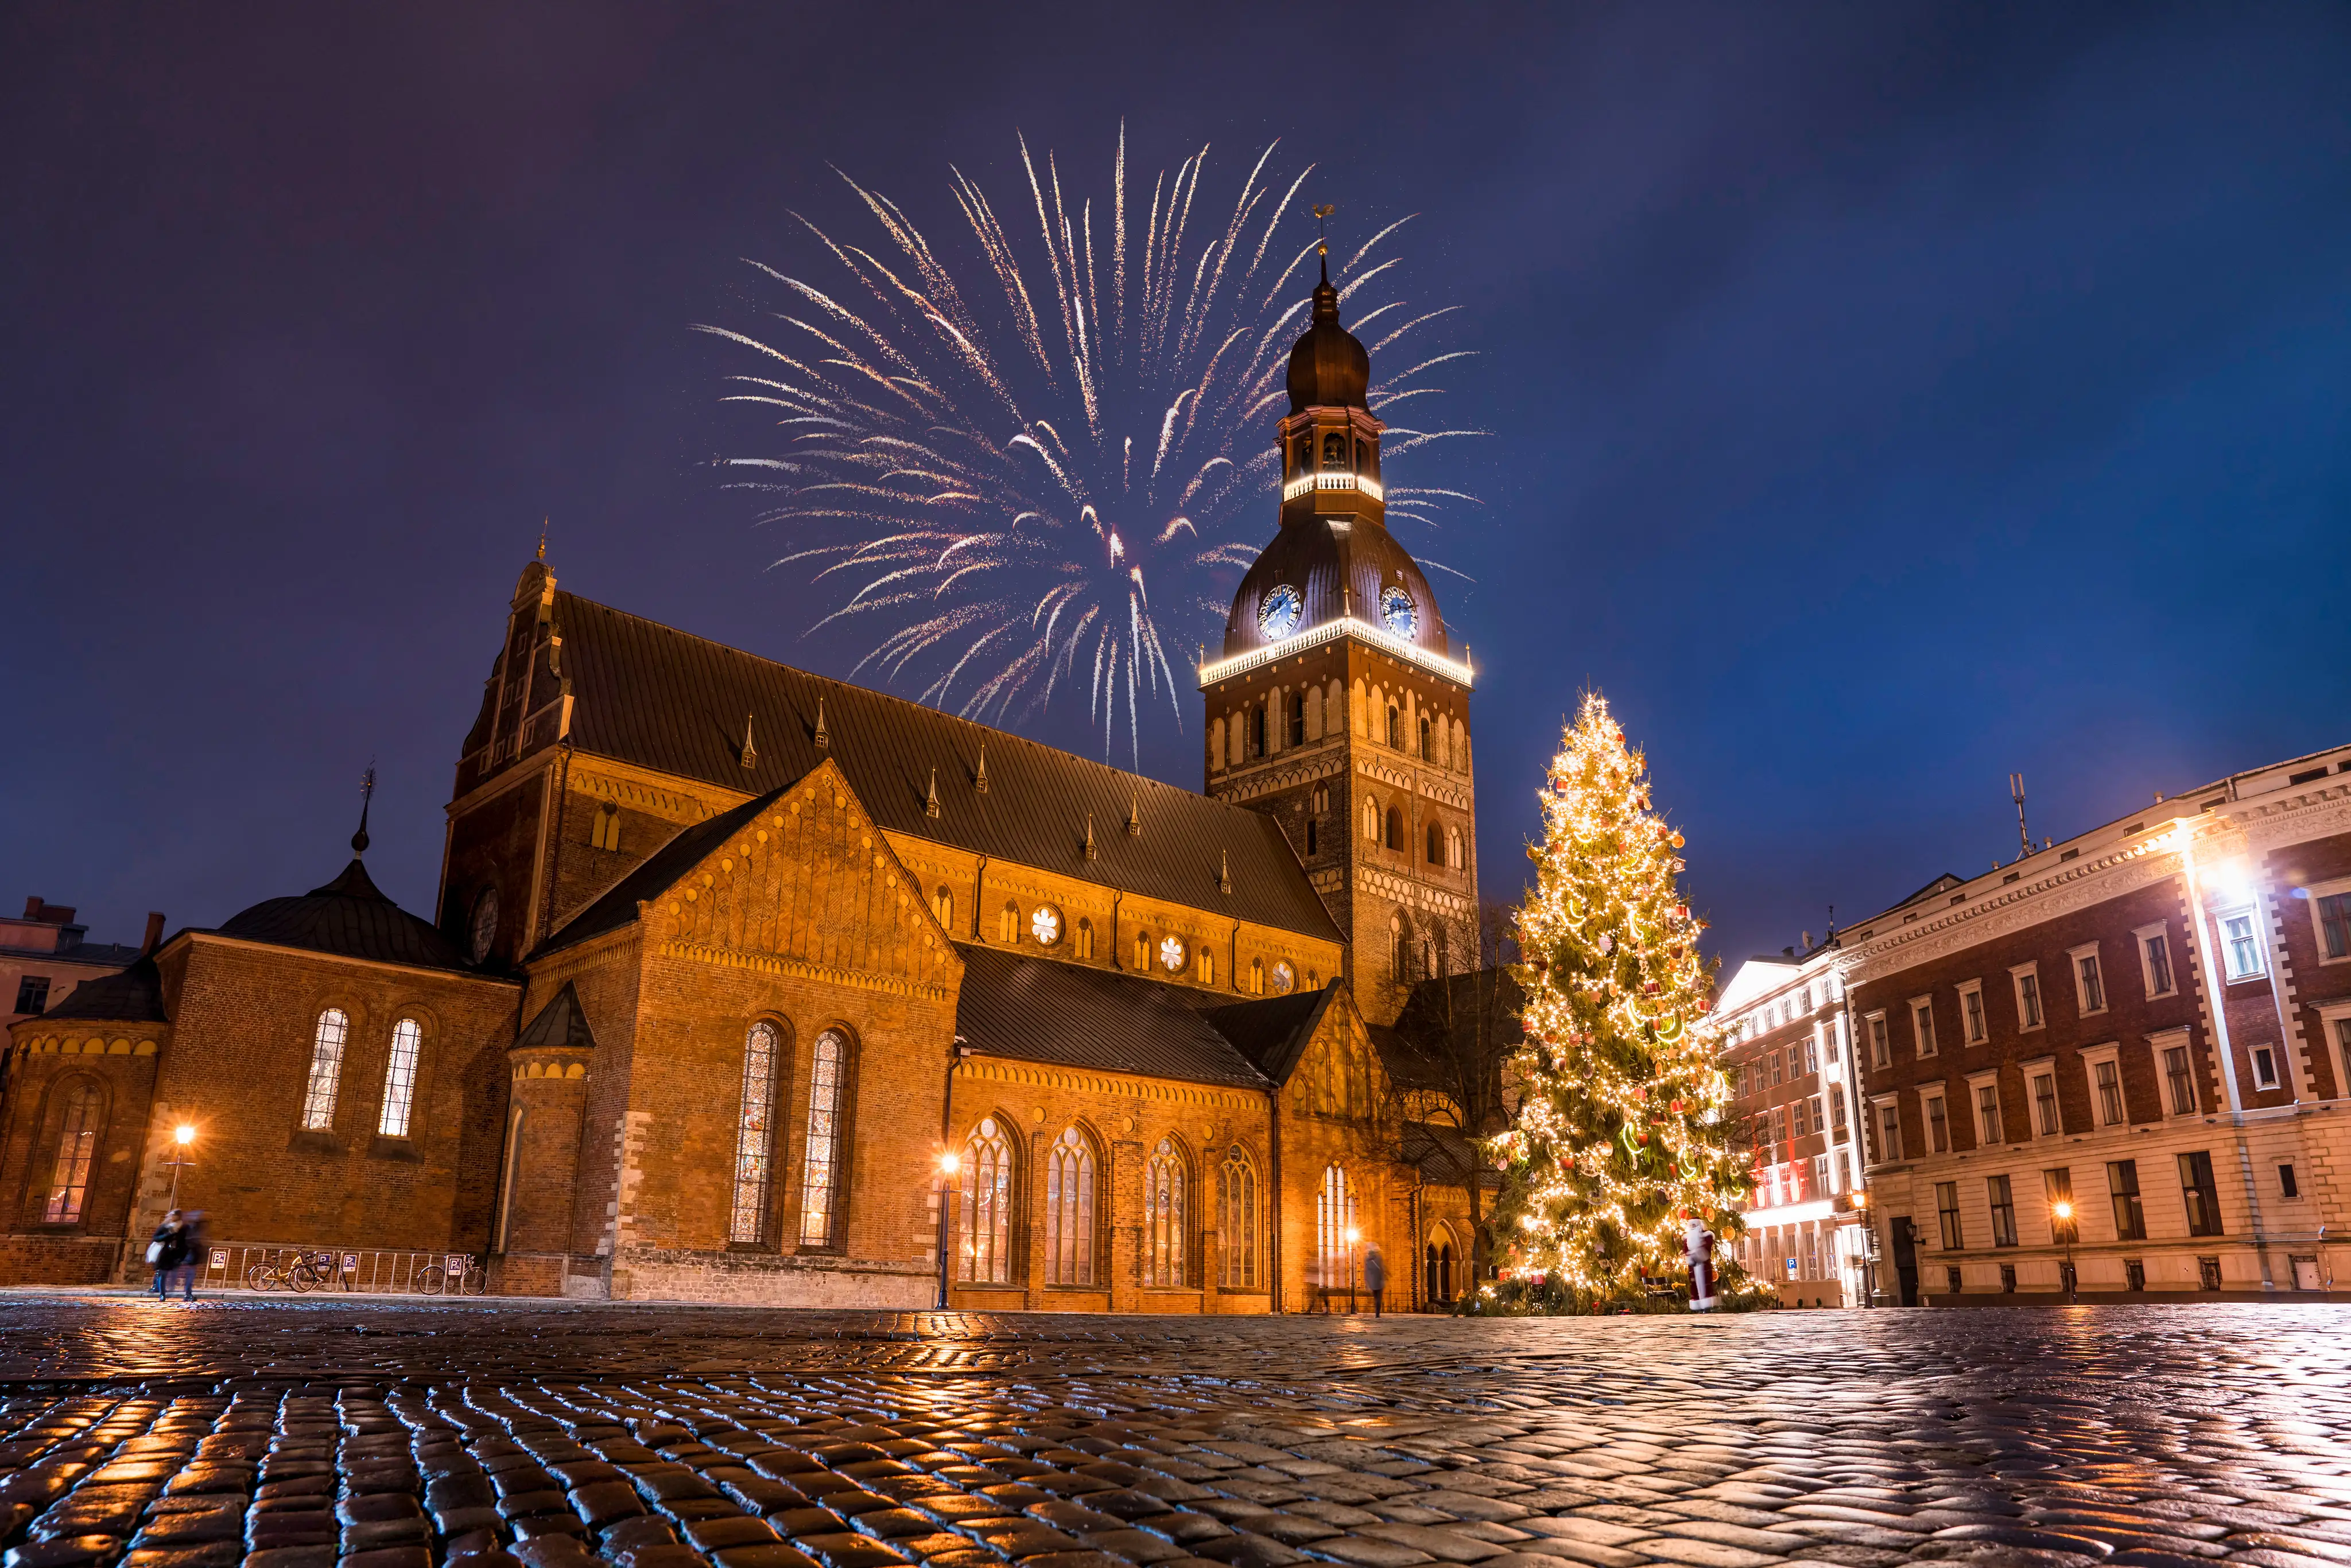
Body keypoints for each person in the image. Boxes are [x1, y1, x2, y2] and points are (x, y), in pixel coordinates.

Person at [148, 1210, 185, 1299]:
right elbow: (156, 1238)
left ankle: (168, 1291)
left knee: (171, 1273)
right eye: (171, 1215)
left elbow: (183, 1241)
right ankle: (162, 1294)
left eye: (174, 1216)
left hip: (174, 1254)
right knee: (162, 1274)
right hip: (163, 1253)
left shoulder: (182, 1228)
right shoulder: (164, 1227)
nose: (172, 1217)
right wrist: (169, 1234)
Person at [172, 1211, 208, 1302]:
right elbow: (190, 1242)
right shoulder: (192, 1230)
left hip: (190, 1256)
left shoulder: (191, 1228)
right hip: (191, 1256)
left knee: (190, 1275)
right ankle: (188, 1294)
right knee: (189, 1275)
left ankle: (188, 1293)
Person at [1364, 1244, 1387, 1317]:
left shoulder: (1367, 1260)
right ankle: (1377, 1314)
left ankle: (1377, 1313)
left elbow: (1367, 1271)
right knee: (1379, 1298)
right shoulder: (1379, 1258)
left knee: (1376, 1298)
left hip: (1373, 1282)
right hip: (1379, 1281)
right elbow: (1382, 1268)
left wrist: (1367, 1281)